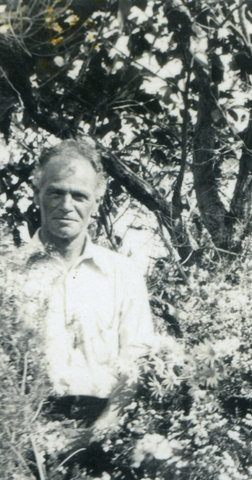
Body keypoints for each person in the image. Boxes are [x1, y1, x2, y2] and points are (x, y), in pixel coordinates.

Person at [17, 139, 155, 433]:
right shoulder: (7, 273)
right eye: (56, 193)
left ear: (96, 199)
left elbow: (136, 363)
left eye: (79, 196)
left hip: (107, 432)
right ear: (36, 193)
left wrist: (102, 431)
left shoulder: (123, 274)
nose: (67, 206)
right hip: (24, 434)